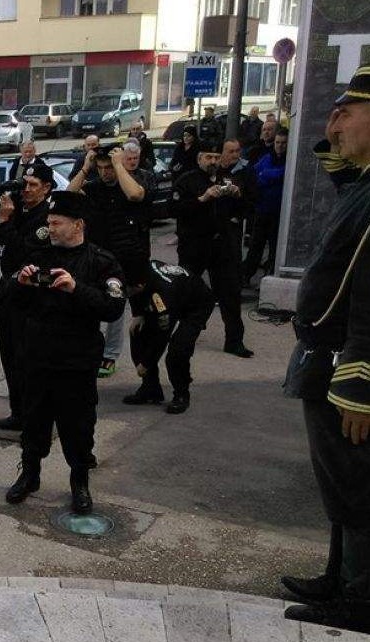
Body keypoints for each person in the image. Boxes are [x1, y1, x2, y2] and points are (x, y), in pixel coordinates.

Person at [281, 67, 370, 634]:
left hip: (349, 366)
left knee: (360, 488)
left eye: (348, 112)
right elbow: (339, 171)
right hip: (325, 357)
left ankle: (362, 599)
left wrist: (361, 377)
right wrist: (336, 136)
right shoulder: (363, 184)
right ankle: (339, 578)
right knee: (338, 481)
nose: (335, 123)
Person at [4, 190, 125, 514]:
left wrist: (76, 289)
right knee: (33, 422)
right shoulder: (41, 255)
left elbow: (114, 307)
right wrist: (21, 282)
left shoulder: (101, 261)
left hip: (76, 361)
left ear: (78, 224)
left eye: (57, 223)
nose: (51, 228)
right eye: (49, 222)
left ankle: (79, 483)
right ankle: (30, 475)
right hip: (38, 356)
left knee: (78, 427)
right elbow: (13, 299)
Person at [0, 164, 56, 430]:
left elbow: (20, 255)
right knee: (10, 355)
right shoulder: (17, 211)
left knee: (29, 359)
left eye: (33, 185)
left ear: (46, 188)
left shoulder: (46, 219)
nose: (26, 190)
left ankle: (35, 415)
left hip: (31, 294)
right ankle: (18, 411)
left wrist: (6, 223)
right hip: (8, 290)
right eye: (24, 184)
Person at [69, 144, 149, 377]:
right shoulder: (94, 188)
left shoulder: (136, 181)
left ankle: (112, 355)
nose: (105, 172)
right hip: (97, 255)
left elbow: (136, 194)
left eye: (109, 167)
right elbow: (69, 194)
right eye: (101, 168)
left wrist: (118, 164)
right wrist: (85, 168)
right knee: (90, 301)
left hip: (128, 257)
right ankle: (90, 348)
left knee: (119, 306)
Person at [173, 138, 253, 358]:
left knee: (230, 293)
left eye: (217, 157)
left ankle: (234, 341)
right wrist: (202, 198)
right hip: (195, 245)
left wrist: (237, 196)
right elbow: (175, 209)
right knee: (187, 291)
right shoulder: (186, 180)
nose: (213, 161)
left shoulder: (226, 178)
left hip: (222, 245)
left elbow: (246, 208)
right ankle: (182, 335)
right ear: (199, 158)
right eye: (208, 157)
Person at [122, 259, 215, 414]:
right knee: (138, 332)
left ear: (140, 286)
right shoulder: (139, 272)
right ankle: (150, 389)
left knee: (177, 351)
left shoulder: (162, 296)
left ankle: (181, 394)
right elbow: (134, 293)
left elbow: (161, 336)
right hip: (174, 295)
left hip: (197, 305)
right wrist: (138, 314)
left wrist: (145, 363)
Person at [242, 128, 289, 282]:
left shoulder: (289, 160)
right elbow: (256, 176)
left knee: (275, 247)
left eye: (283, 143)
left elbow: (282, 174)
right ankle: (246, 276)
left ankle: (270, 274)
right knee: (256, 246)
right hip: (262, 209)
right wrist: (270, 176)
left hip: (279, 212)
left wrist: (267, 175)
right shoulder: (267, 158)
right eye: (277, 143)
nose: (280, 146)